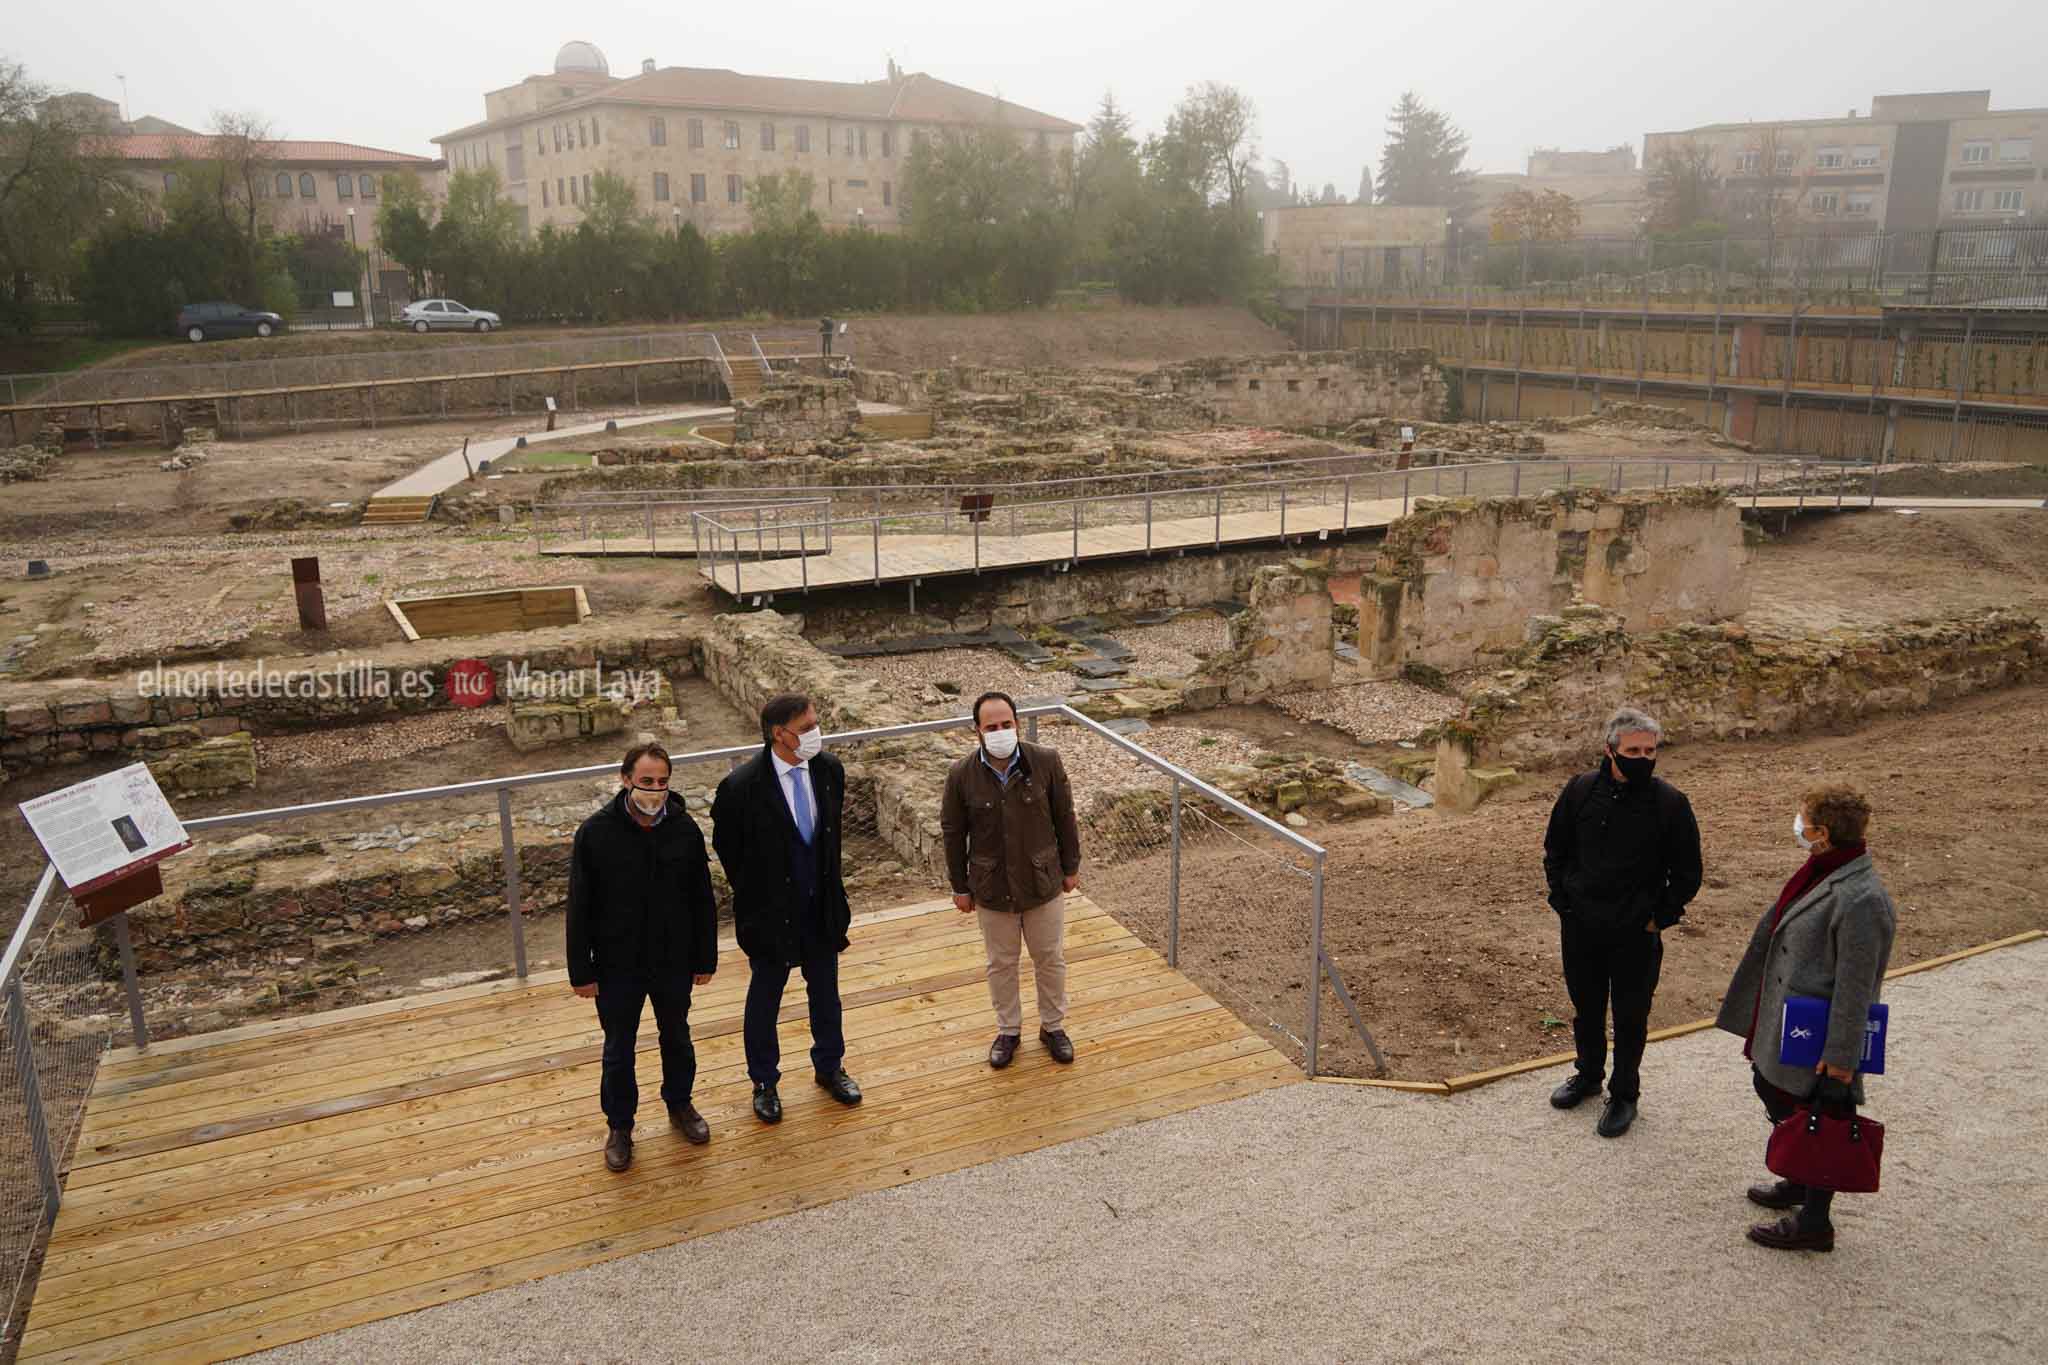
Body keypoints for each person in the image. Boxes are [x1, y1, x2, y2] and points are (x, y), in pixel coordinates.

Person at [1716, 785, 1895, 1253]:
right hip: (1789, 1019)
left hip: (1820, 1032)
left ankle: (1816, 1222)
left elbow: (1858, 989)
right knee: (1771, 1087)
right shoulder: (1822, 871)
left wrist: (1841, 1060)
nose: (1797, 826)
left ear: (1823, 832)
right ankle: (1797, 1178)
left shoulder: (1861, 899)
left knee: (1825, 1116)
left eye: (1803, 820)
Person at [1541, 705, 1702, 1138]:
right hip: (1582, 927)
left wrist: (1658, 919)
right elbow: (1555, 849)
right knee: (1586, 1007)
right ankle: (1589, 1075)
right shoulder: (1579, 791)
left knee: (1631, 1017)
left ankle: (1625, 1094)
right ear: (1611, 750)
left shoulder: (1671, 804)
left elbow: (1688, 873)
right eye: (1634, 749)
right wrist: (1564, 901)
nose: (1644, 758)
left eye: (1651, 750)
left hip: (1636, 934)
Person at [567, 743, 719, 1174]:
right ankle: (620, 1127)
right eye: (646, 781)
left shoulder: (684, 829)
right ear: (625, 779)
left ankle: (681, 1105)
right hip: (618, 964)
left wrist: (704, 957)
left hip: (672, 960)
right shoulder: (595, 833)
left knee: (677, 1036)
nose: (654, 790)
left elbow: (701, 899)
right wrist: (582, 970)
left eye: (662, 782)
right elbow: (579, 905)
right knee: (619, 1048)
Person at [711, 693, 863, 1125]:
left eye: (816, 723)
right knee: (765, 999)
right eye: (807, 726)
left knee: (825, 993)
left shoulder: (830, 770)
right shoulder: (740, 787)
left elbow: (829, 839)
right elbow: (729, 851)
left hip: (821, 909)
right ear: (780, 734)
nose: (816, 732)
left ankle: (830, 1067)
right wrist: (760, 897)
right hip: (770, 915)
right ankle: (764, 1081)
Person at [941, 692, 1084, 1069]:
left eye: (1006, 724)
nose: (1000, 731)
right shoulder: (961, 774)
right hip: (992, 887)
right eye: (992, 727)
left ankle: (1053, 1027)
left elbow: (1064, 816)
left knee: (1050, 958)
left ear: (1017, 724)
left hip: (1043, 882)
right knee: (1001, 963)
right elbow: (953, 833)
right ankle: (1009, 1030)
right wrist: (960, 886)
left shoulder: (1046, 761)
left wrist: (1071, 867)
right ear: (977, 732)